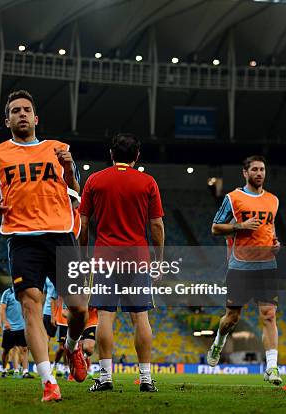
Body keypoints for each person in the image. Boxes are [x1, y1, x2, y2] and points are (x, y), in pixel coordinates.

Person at [0, 90, 88, 402]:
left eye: (27, 109)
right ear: (8, 120)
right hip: (21, 238)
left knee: (79, 308)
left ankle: (71, 348)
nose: (22, 114)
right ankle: (48, 382)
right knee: (30, 305)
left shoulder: (59, 149)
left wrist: (68, 170)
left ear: (36, 117)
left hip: (60, 234)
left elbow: (76, 190)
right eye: (15, 111)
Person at [78, 133, 164, 393]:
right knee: (141, 317)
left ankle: (105, 377)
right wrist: (158, 259)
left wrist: (83, 256)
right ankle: (146, 378)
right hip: (137, 259)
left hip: (104, 258)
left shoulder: (95, 180)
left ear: (112, 155)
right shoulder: (147, 182)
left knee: (105, 316)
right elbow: (157, 224)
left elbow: (82, 223)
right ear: (136, 156)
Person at [207, 155, 282, 385]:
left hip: (267, 266)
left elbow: (270, 229)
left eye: (262, 169)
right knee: (232, 318)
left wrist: (276, 243)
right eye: (255, 169)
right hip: (240, 266)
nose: (260, 173)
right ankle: (218, 342)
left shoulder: (273, 200)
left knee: (269, 315)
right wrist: (240, 226)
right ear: (245, 173)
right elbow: (215, 228)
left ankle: (272, 368)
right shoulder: (233, 198)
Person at [0, 286, 32, 379]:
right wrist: (5, 322)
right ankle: (4, 370)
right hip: (10, 327)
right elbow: (2, 308)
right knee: (6, 350)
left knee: (24, 349)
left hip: (22, 326)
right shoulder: (7, 293)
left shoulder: (24, 292)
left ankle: (25, 372)